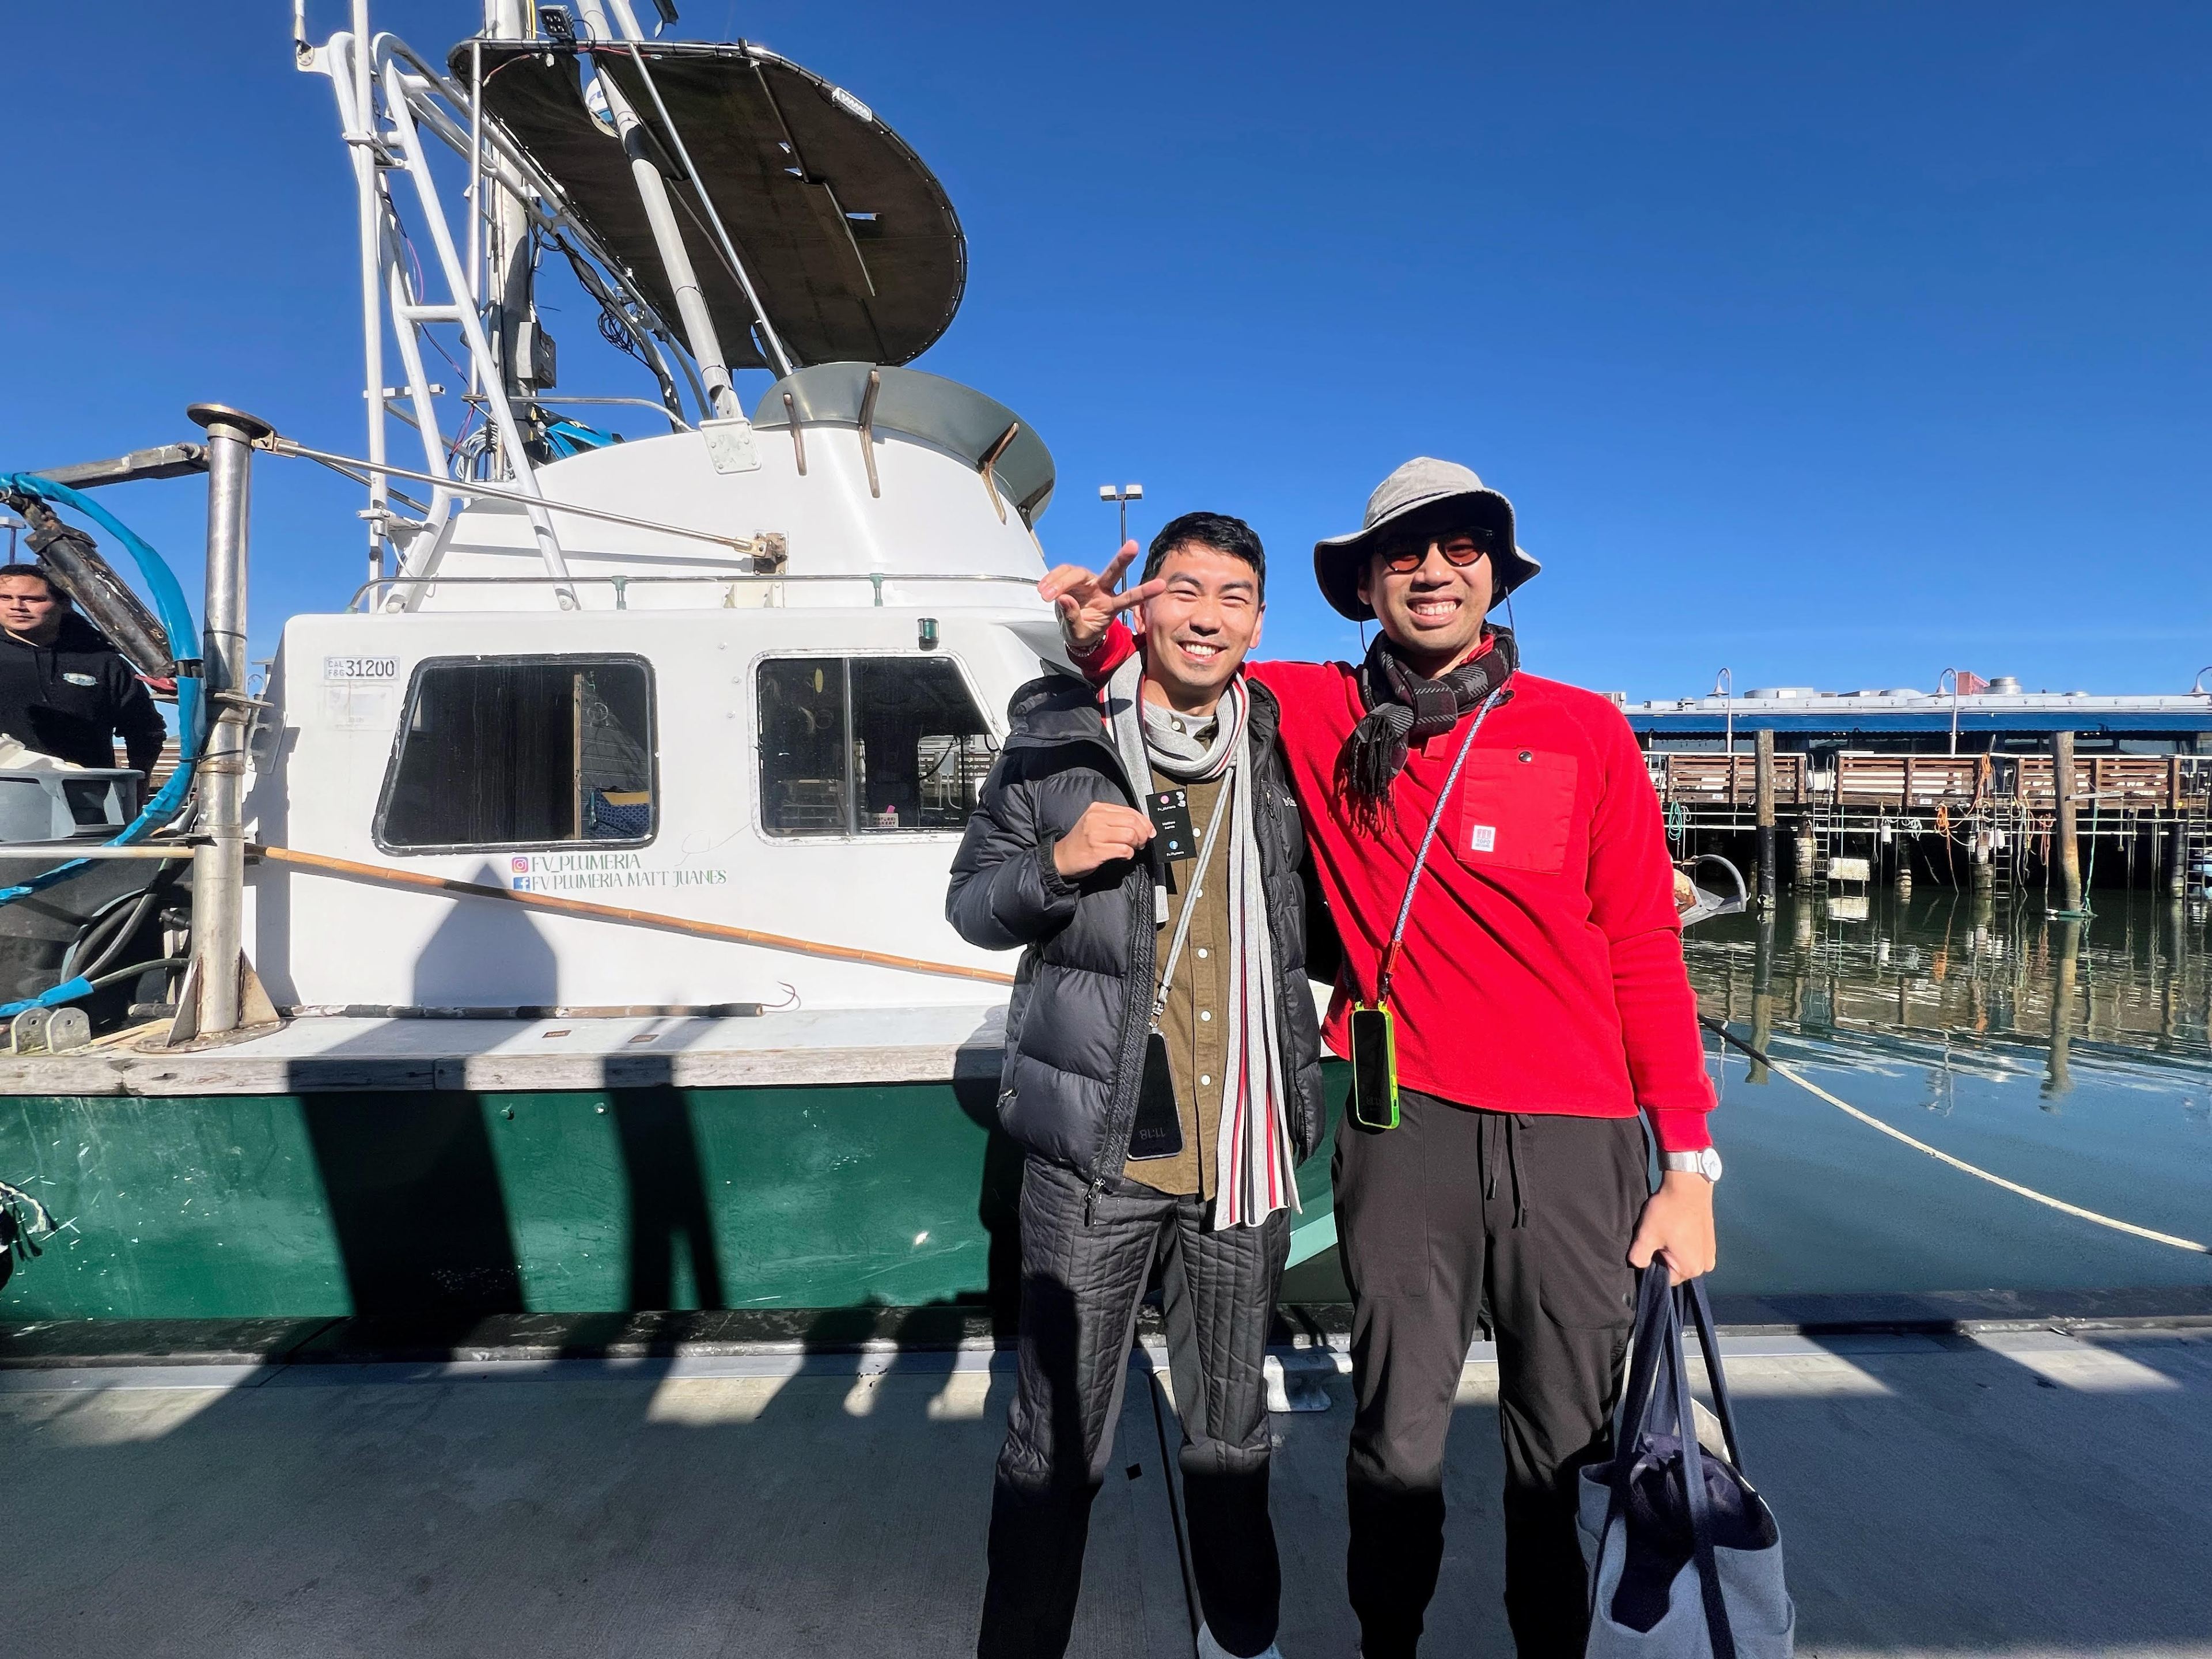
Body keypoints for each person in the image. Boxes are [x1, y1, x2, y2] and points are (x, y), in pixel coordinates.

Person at [1046, 460, 1719, 1659]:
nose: (1433, 571)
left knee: (1559, 1451)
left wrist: (1689, 1167)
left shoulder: (1585, 726)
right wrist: (1094, 638)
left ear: (1494, 577)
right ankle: (1388, 1646)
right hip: (1405, 1135)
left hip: (1579, 1140)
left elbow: (1646, 949)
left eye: (1462, 549)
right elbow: (1171, 695)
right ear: (1364, 585)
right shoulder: (1302, 705)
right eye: (1404, 553)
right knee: (1396, 1442)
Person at [948, 512, 1328, 1659]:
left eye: (1235, 598)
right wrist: (1056, 864)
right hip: (1098, 1165)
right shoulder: (1060, 739)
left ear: (1259, 622)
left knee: (1229, 1430)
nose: (1208, 617)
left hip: (1242, 1158)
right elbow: (971, 905)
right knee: (1053, 1442)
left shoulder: (1281, 749)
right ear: (1144, 604)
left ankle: (1241, 1636)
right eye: (1186, 590)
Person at [0, 563, 166, 775]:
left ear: (64, 604)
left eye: (33, 599)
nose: (17, 606)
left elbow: (146, 731)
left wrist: (137, 784)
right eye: (5, 598)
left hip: (85, 797)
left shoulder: (104, 663)